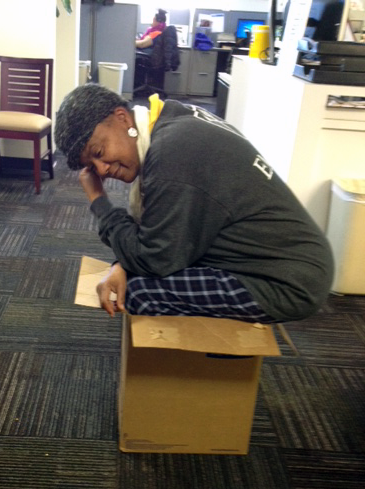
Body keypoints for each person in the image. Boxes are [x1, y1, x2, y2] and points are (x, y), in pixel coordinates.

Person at [54, 84, 334, 322]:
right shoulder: (169, 117)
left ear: (122, 118)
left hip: (286, 281)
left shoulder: (172, 156)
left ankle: (203, 369)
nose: (101, 170)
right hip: (278, 257)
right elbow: (154, 233)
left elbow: (152, 259)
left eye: (99, 152)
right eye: (91, 165)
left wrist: (99, 201)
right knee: (130, 275)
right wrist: (121, 264)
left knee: (138, 292)